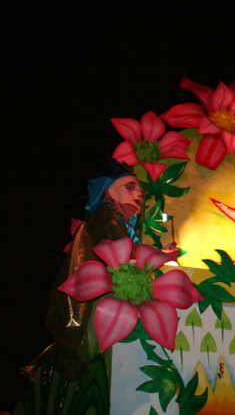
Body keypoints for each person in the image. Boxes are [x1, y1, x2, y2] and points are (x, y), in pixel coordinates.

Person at [35, 161, 146, 381]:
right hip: (94, 312)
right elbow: (125, 260)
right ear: (109, 191)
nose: (139, 194)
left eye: (141, 191)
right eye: (130, 187)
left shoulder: (109, 221)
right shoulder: (107, 216)